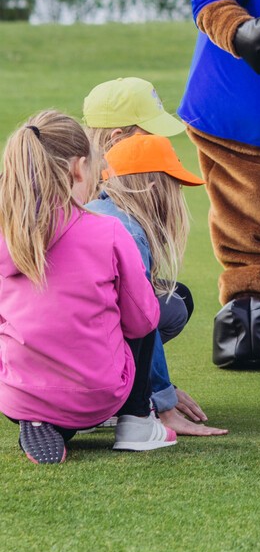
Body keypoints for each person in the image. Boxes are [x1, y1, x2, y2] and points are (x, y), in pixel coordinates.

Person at [0, 110, 176, 463]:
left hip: (17, 394)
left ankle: (43, 417)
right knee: (145, 305)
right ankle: (137, 421)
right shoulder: (108, 231)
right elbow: (142, 320)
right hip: (101, 393)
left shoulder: (8, 232)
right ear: (79, 168)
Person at [84, 80, 222, 435]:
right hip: (64, 343)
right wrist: (162, 399)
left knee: (174, 301)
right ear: (116, 138)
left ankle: (117, 389)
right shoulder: (121, 225)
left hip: (37, 342)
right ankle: (119, 396)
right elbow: (138, 316)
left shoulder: (91, 193)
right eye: (149, 134)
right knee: (142, 307)